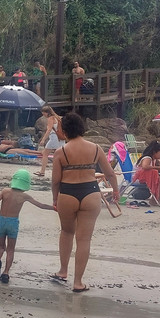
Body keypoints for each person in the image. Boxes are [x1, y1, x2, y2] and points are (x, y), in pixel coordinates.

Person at [50, 112, 119, 293]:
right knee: (84, 239)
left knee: (66, 232)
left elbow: (55, 180)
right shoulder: (95, 148)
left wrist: (55, 198)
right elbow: (109, 173)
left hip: (67, 193)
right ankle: (78, 282)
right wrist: (116, 190)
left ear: (64, 130)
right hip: (90, 193)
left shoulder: (61, 152)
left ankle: (63, 271)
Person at [0, 168, 54, 284]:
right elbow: (41, 205)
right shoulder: (24, 196)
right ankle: (6, 273)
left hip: (1, 220)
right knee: (10, 249)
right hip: (13, 223)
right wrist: (54, 208)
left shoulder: (5, 191)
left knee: (0, 246)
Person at [35, 105, 62, 177]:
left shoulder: (50, 118)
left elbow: (49, 130)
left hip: (54, 138)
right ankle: (60, 170)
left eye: (44, 113)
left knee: (45, 154)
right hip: (59, 138)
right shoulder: (57, 117)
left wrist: (43, 139)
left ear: (47, 113)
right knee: (59, 155)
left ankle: (42, 171)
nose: (43, 115)